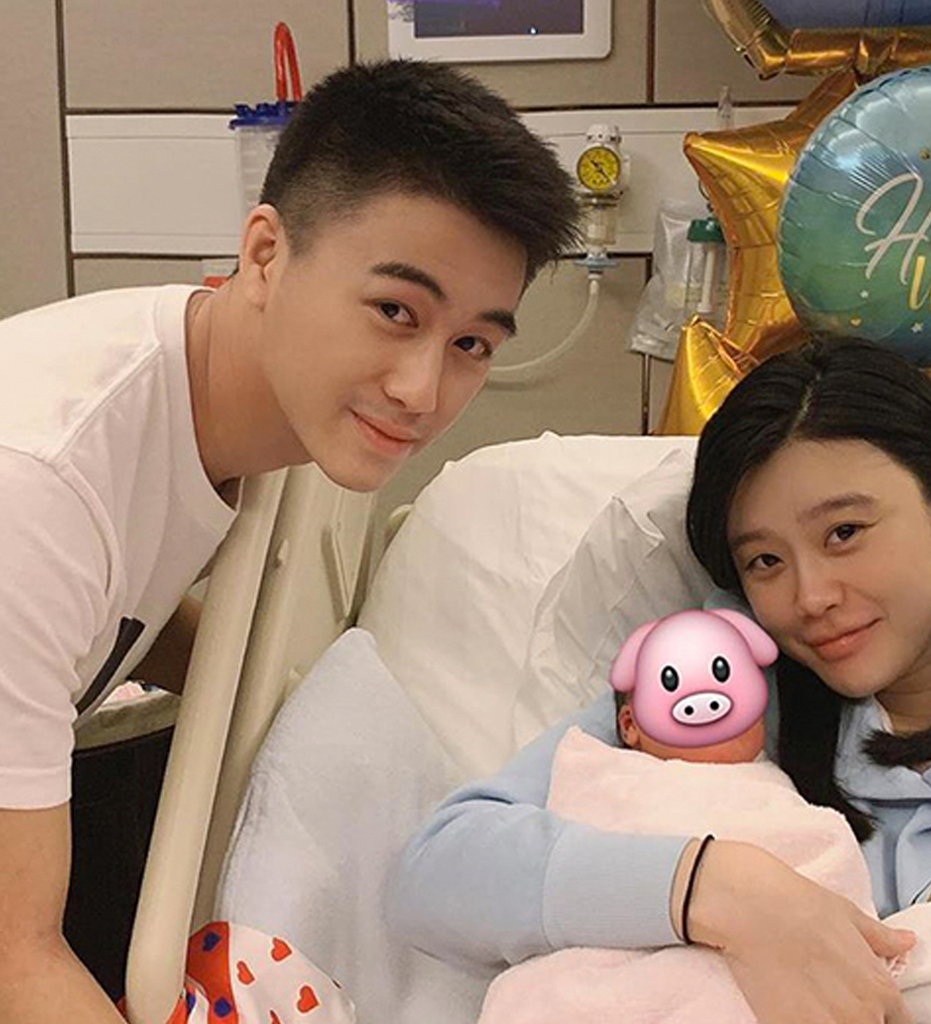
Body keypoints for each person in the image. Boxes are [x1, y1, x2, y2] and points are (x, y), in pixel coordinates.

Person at [0, 59, 579, 1023]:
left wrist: (328, 731)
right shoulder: (38, 486)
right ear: (266, 253)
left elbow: (115, 610)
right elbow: (15, 962)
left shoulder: (232, 409)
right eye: (394, 311)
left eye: (471, 344)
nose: (422, 391)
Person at [394, 338, 931, 1024]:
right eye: (764, 561)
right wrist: (716, 888)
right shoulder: (730, 689)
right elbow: (441, 870)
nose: (810, 597)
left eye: (844, 532)